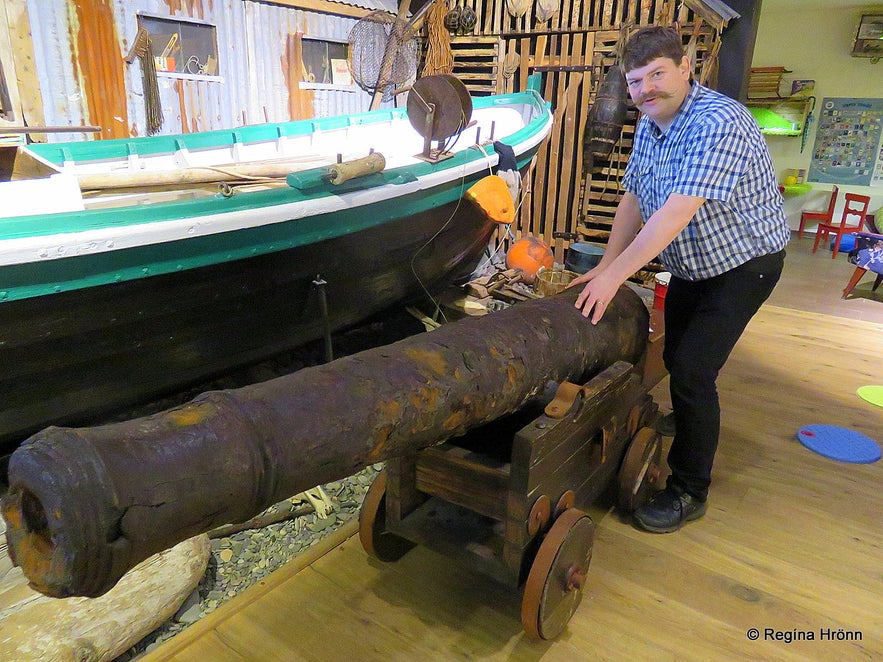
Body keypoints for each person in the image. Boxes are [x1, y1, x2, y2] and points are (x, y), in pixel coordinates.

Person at [569, 26, 790, 533]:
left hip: (744, 263)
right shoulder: (651, 124)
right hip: (694, 264)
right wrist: (606, 266)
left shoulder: (719, 122)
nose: (645, 90)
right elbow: (634, 197)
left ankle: (690, 488)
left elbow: (673, 214)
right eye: (635, 82)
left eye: (656, 76)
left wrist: (615, 277)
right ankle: (692, 420)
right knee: (672, 356)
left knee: (691, 371)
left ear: (685, 67)